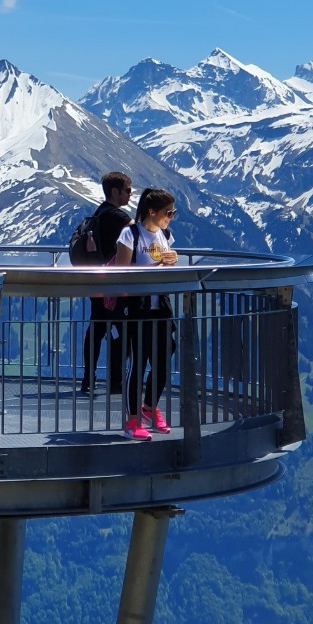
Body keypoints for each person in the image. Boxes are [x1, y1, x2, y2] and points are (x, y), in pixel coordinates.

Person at [114, 187, 178, 441]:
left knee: (162, 362)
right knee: (138, 364)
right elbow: (120, 272)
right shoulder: (130, 235)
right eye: (168, 212)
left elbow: (167, 269)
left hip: (160, 308)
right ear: (152, 211)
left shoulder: (165, 235)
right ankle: (132, 420)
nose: (170, 217)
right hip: (136, 309)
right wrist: (160, 265)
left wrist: (172, 262)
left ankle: (149, 408)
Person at [80, 171, 133, 393]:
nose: (130, 195)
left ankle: (88, 378)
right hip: (115, 283)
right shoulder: (119, 218)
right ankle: (116, 381)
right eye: (127, 191)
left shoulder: (98, 214)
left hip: (96, 280)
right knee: (120, 331)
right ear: (116, 192)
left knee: (97, 328)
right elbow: (141, 233)